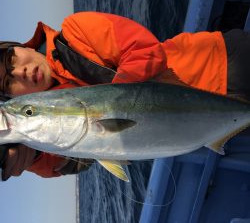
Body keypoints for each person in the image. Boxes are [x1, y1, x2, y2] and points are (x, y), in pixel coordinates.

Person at [0, 11, 249, 180]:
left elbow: (145, 50)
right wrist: (29, 154)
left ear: (20, 46)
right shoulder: (51, 120)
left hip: (223, 64)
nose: (19, 72)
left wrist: (111, 105)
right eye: (8, 82)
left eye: (11, 59)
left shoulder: (76, 31)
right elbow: (69, 159)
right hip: (214, 125)